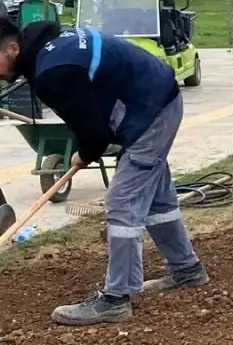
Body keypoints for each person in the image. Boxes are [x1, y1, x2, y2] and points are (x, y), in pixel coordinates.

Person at [0, 19, 208, 326]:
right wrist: (87, 148)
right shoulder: (51, 46)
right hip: (157, 96)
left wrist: (83, 155)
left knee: (122, 203)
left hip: (149, 109)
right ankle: (186, 269)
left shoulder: (53, 71)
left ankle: (115, 299)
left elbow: (94, 135)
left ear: (13, 48)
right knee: (156, 198)